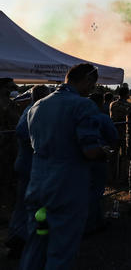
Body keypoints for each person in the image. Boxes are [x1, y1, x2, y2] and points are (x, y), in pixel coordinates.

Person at [19, 64, 106, 269]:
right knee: (62, 249)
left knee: (35, 245)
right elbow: (90, 151)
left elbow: (22, 134)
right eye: (92, 84)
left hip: (37, 182)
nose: (92, 89)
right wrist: (104, 152)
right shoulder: (83, 105)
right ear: (85, 80)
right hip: (67, 185)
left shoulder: (37, 105)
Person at [6, 85, 50, 259]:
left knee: (22, 203)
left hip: (26, 162)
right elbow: (21, 131)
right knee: (29, 204)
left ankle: (18, 236)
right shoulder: (35, 110)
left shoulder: (29, 109)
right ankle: (22, 238)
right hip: (29, 164)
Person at [85, 92, 119, 235]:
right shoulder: (103, 118)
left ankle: (95, 220)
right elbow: (113, 136)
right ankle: (91, 223)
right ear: (100, 103)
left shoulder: (80, 116)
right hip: (98, 156)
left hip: (82, 157)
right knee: (96, 191)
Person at [109, 84, 131, 181]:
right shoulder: (128, 106)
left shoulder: (112, 104)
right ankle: (123, 177)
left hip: (113, 132)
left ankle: (111, 176)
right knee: (125, 156)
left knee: (113, 155)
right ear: (126, 94)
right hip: (123, 133)